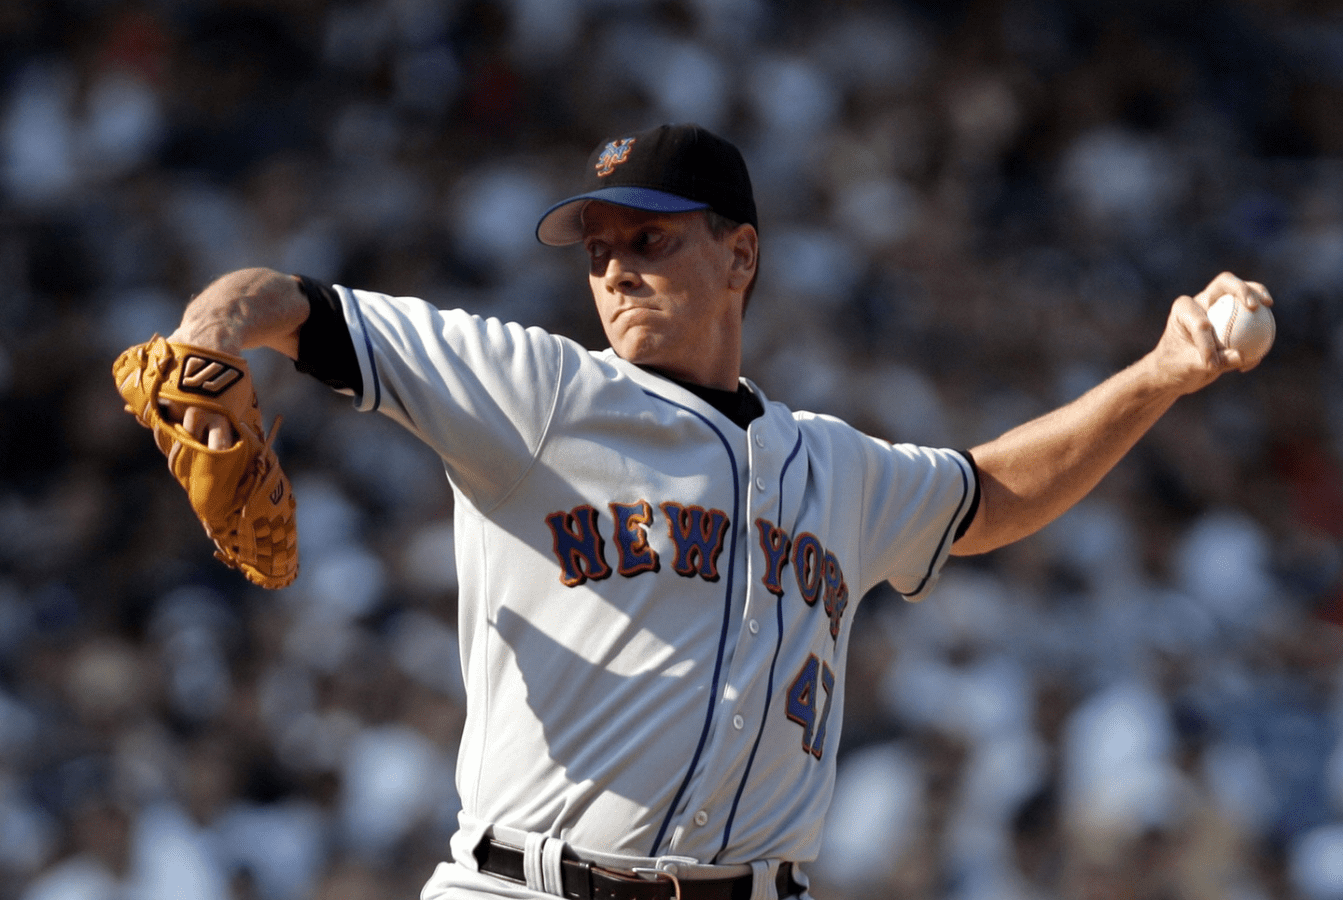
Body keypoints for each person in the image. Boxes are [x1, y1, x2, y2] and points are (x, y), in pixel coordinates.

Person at [154, 123, 1272, 900]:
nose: (615, 270)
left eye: (649, 240)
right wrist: (208, 344)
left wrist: (1158, 376)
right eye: (597, 251)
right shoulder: (539, 388)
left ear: (739, 254)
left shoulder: (834, 467)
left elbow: (985, 495)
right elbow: (281, 302)